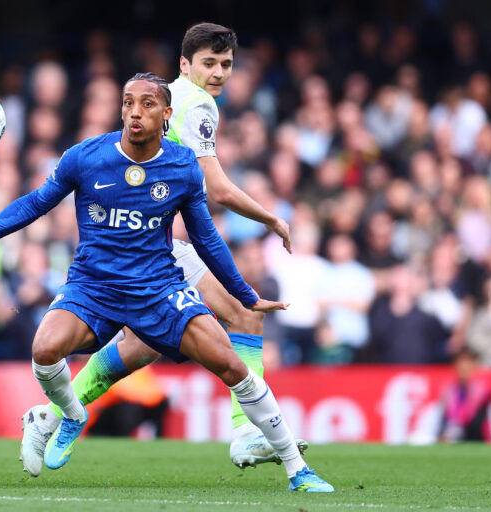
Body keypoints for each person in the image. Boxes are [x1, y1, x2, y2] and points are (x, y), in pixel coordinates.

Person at [0, 73, 333, 492]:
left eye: (146, 104)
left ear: (167, 114)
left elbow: (206, 238)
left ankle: (297, 469)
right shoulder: (84, 157)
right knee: (44, 349)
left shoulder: (182, 166)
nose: (134, 112)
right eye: (127, 103)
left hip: (158, 289)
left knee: (233, 365)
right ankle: (69, 414)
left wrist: (245, 295)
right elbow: (35, 204)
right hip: (94, 286)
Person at [21, 22, 300, 478]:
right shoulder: (197, 105)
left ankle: (51, 416)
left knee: (143, 347)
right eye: (209, 63)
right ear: (185, 65)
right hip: (156, 245)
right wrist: (271, 218)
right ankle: (244, 430)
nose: (218, 74)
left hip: (147, 241)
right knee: (246, 313)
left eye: (226, 65)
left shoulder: (168, 95)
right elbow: (218, 190)